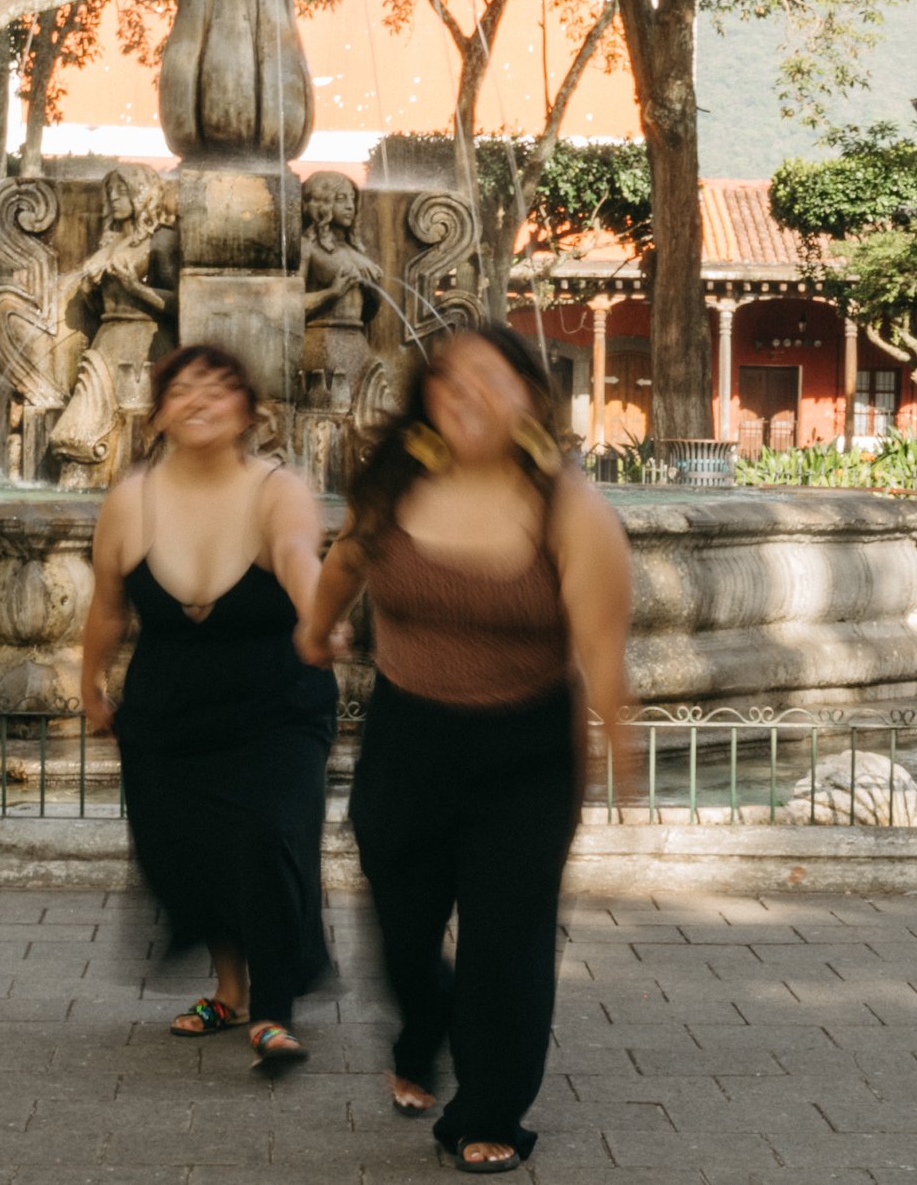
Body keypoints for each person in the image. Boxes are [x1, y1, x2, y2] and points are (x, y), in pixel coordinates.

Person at [297, 327, 633, 1174]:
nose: (467, 391)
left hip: (524, 748)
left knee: (507, 934)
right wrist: (314, 626)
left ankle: (490, 1109)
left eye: (492, 376)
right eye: (450, 378)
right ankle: (424, 1025)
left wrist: (618, 747)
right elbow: (344, 559)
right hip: (408, 737)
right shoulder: (396, 486)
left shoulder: (571, 509)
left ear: (530, 397)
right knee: (404, 924)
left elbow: (601, 652)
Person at [80, 343, 339, 1071]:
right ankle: (228, 990)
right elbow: (107, 603)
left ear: (250, 413)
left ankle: (274, 1011)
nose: (198, 399)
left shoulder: (277, 487)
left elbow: (297, 556)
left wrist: (321, 616)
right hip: (171, 707)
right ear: (158, 410)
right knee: (194, 847)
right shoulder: (130, 497)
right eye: (183, 388)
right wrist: (88, 681)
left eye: (219, 388)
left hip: (276, 699)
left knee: (267, 833)